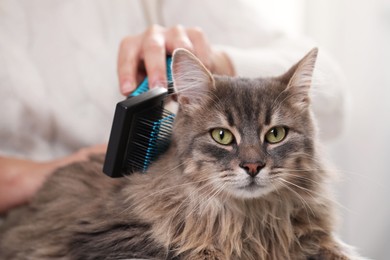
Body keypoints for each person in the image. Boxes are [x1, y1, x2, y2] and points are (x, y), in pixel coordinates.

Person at [0, 0, 345, 213]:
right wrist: (33, 177)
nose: (252, 163)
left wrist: (219, 64)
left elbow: (335, 97)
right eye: (224, 135)